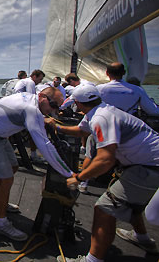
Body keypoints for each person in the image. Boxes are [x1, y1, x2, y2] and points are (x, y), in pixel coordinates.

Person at [51, 85, 159, 261]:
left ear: (77, 103)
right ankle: (143, 238)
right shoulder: (99, 110)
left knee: (104, 209)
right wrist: (57, 127)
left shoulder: (101, 118)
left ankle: (92, 260)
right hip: (146, 163)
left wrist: (78, 178)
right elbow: (81, 130)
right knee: (133, 205)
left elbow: (105, 159)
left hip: (149, 167)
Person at [0, 87, 74, 241]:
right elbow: (44, 145)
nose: (54, 111)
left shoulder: (31, 99)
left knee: (13, 167)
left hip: (0, 134)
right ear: (41, 96)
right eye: (53, 105)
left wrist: (45, 117)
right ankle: (0, 223)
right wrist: (68, 174)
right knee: (6, 178)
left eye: (57, 108)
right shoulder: (31, 109)